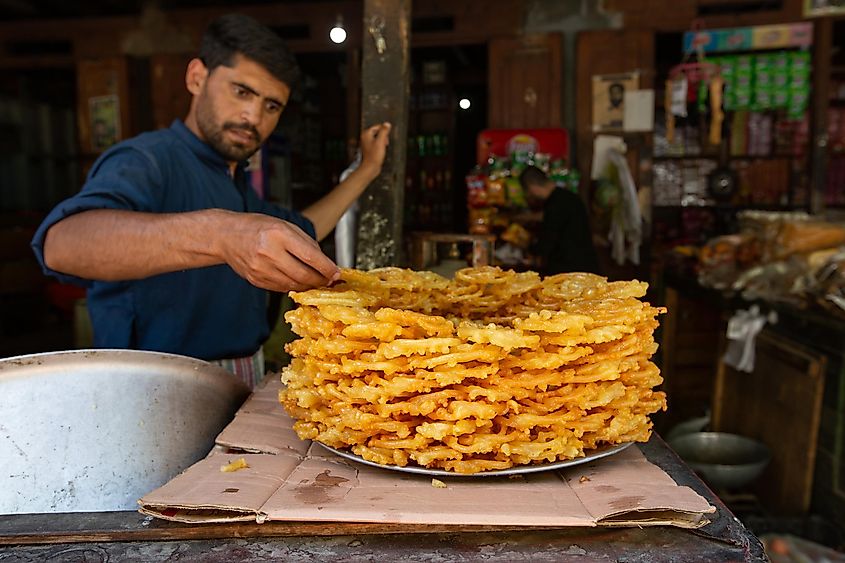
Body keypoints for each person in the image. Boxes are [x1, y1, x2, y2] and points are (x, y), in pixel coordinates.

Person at [30, 13, 391, 386]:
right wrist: (221, 234)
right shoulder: (146, 159)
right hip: (153, 387)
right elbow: (61, 244)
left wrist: (367, 170)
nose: (253, 116)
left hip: (242, 378)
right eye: (241, 92)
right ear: (196, 78)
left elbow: (306, 228)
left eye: (271, 106)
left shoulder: (236, 183)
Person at [518, 165, 601, 276]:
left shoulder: (555, 204)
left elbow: (547, 241)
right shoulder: (568, 197)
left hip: (571, 271)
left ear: (532, 187)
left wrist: (529, 249)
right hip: (585, 266)